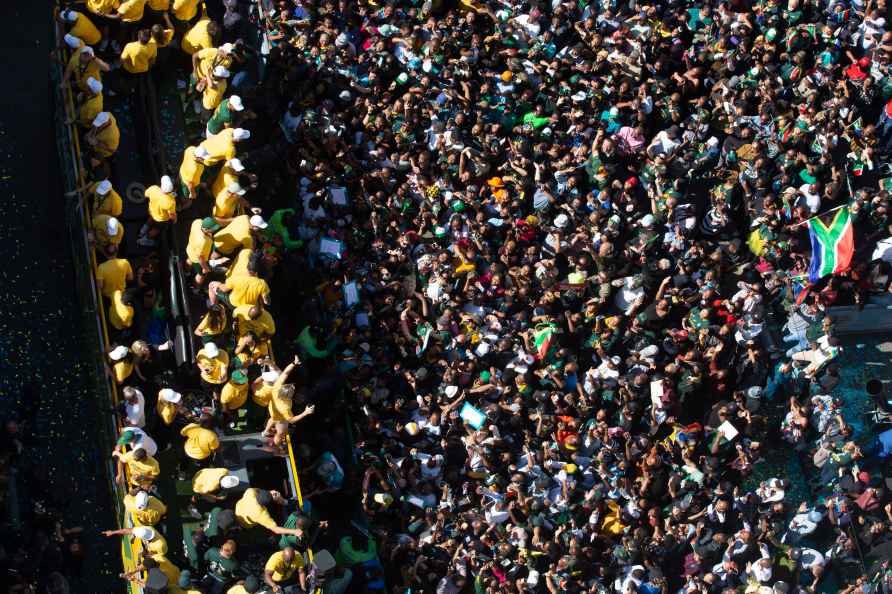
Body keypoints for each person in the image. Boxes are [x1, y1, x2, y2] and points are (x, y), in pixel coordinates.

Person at [233, 488, 302, 536]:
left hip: (237, 512)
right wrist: (294, 531)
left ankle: (286, 502)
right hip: (245, 524)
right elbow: (276, 530)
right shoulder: (261, 513)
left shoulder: (250, 492)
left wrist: (270, 493)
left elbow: (258, 490)